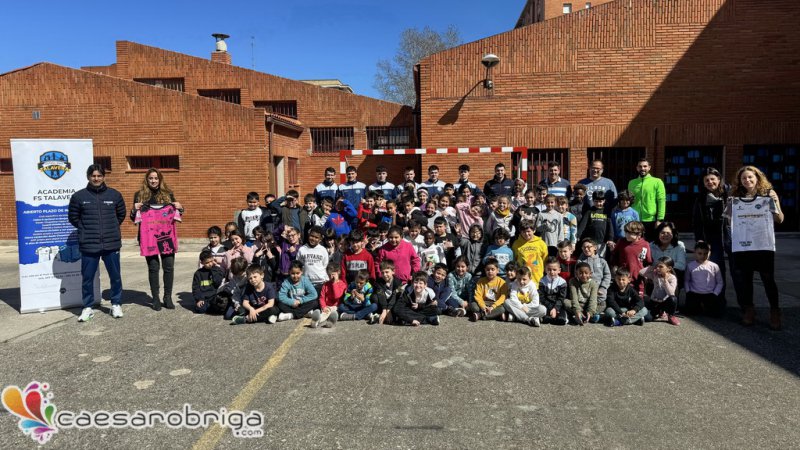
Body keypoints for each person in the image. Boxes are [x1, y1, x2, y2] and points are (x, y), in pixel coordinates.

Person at [725, 165, 784, 330]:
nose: (747, 180)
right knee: (746, 280)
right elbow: (729, 220)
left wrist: (775, 202)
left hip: (763, 244)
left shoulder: (768, 194)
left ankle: (775, 311)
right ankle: (749, 310)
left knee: (768, 279)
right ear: (740, 181)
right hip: (744, 245)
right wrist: (731, 206)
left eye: (750, 177)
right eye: (743, 178)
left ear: (757, 178)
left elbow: (780, 219)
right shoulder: (735, 197)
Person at [68, 164, 127, 322]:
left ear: (103, 177)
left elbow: (121, 215)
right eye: (93, 176)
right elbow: (73, 218)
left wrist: (110, 228)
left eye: (99, 176)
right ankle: (87, 307)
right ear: (88, 177)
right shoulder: (79, 197)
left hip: (111, 244)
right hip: (89, 244)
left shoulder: (114, 195)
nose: (96, 178)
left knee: (115, 276)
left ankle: (116, 304)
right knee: (87, 278)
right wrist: (85, 229)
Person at [131, 168, 183, 310]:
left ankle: (167, 297)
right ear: (146, 180)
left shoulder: (168, 194)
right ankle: (155, 298)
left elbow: (177, 215)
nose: (153, 181)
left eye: (156, 178)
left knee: (169, 267)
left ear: (160, 180)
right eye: (151, 178)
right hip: (148, 237)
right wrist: (134, 209)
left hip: (166, 237)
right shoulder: (139, 195)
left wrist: (180, 207)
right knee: (153, 268)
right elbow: (134, 219)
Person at [692, 167, 731, 290]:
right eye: (707, 180)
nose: (710, 182)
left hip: (730, 236)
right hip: (712, 238)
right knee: (717, 269)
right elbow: (697, 221)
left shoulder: (729, 194)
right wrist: (699, 239)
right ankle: (718, 297)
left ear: (719, 179)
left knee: (738, 271)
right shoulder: (700, 199)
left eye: (713, 179)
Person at [627, 158, 666, 241]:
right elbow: (629, 201)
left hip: (651, 220)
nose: (642, 168)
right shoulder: (632, 183)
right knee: (635, 244)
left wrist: (660, 219)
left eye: (645, 166)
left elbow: (661, 201)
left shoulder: (657, 182)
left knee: (650, 244)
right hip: (635, 219)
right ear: (637, 168)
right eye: (640, 166)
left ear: (649, 167)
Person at [684, 241, 725, 317]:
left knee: (715, 314)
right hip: (694, 293)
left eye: (705, 253)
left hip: (710, 294)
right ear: (695, 253)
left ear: (709, 253)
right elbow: (687, 280)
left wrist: (715, 293)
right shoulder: (690, 266)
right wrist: (688, 291)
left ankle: (706, 307)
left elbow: (720, 282)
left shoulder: (714, 266)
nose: (702, 256)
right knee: (690, 312)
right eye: (700, 253)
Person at [640, 256, 680, 326]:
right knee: (648, 318)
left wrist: (665, 280)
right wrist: (653, 267)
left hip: (665, 302)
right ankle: (659, 312)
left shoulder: (672, 278)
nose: (658, 268)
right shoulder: (655, 275)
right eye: (657, 266)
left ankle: (671, 316)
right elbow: (641, 272)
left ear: (669, 268)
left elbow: (671, 293)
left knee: (673, 299)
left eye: (661, 267)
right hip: (654, 302)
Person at [649, 222, 686, 295]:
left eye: (668, 233)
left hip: (672, 276)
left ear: (673, 234)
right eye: (662, 233)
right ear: (658, 233)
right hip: (655, 275)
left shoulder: (679, 246)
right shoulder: (651, 245)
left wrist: (665, 269)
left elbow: (681, 265)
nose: (665, 235)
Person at [512, 220, 549, 284]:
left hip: (538, 278)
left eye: (528, 231)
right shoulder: (516, 244)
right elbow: (514, 260)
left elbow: (545, 260)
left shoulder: (541, 243)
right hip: (522, 279)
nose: (526, 234)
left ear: (534, 230)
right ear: (520, 232)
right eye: (524, 232)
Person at [297, 226, 329, 293]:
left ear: (320, 239)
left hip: (321, 283)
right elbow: (298, 265)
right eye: (312, 236)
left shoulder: (323, 250)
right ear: (309, 235)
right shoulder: (302, 249)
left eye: (316, 237)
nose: (313, 239)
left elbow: (325, 265)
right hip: (306, 283)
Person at [312, 263, 344, 328]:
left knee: (330, 312)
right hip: (326, 307)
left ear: (338, 272)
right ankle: (319, 321)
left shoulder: (342, 284)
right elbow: (322, 297)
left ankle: (319, 320)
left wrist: (334, 283)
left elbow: (337, 296)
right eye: (329, 275)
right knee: (326, 312)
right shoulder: (326, 285)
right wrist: (323, 307)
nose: (331, 277)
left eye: (333, 274)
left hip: (336, 307)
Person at [192, 250, 225, 314]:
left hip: (215, 296)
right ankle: (210, 307)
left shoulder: (217, 270)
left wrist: (214, 269)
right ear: (202, 263)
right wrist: (199, 299)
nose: (210, 264)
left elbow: (217, 283)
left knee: (221, 306)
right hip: (204, 298)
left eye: (211, 261)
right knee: (200, 309)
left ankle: (211, 307)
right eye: (207, 262)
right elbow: (195, 289)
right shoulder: (198, 273)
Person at [539, 256, 568, 325]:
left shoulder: (562, 282)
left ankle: (562, 315)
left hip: (558, 305)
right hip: (546, 305)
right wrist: (550, 308)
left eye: (554, 270)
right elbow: (542, 297)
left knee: (561, 320)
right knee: (546, 319)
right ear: (545, 270)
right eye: (549, 269)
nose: (552, 272)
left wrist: (555, 308)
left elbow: (561, 298)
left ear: (559, 270)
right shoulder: (542, 281)